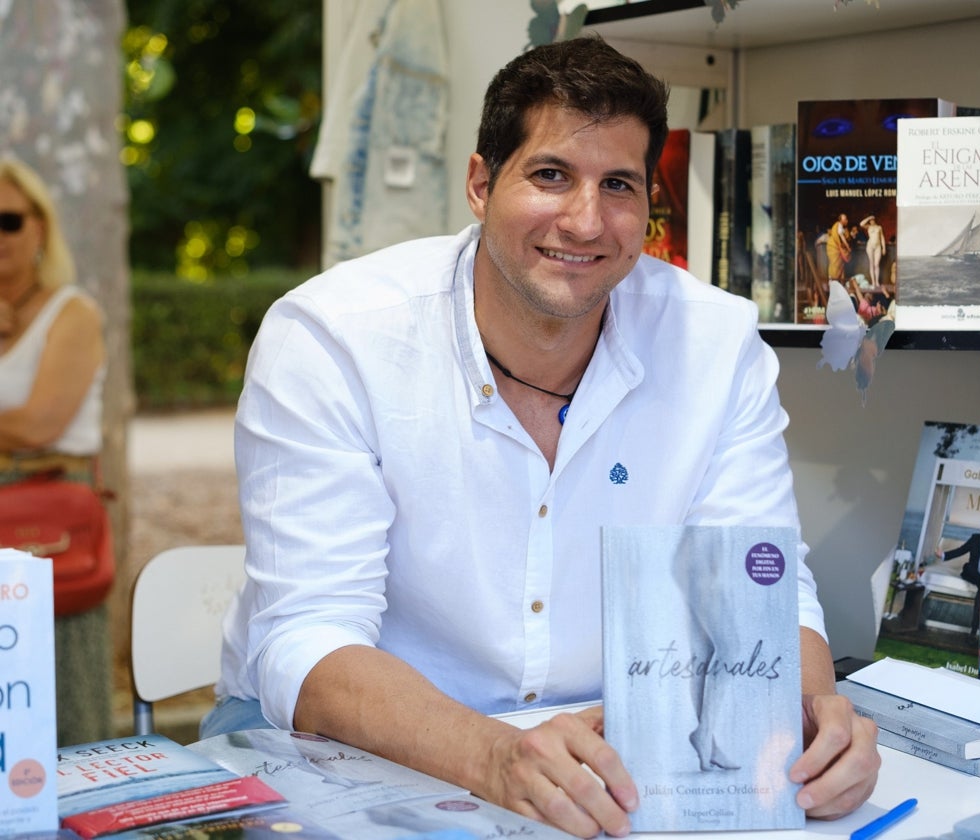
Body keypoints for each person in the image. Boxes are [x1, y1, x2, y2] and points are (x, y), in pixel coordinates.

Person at [204, 36, 878, 838]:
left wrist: (807, 723)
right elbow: (307, 637)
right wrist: (493, 756)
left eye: (619, 185)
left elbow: (763, 585)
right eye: (551, 174)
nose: (586, 221)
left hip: (604, 752)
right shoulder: (332, 337)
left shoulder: (715, 342)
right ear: (482, 184)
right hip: (350, 746)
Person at [0, 156, 111, 745]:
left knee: (64, 704)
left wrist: (19, 426)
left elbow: (42, 422)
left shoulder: (73, 313)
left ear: (40, 227)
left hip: (44, 522)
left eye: (9, 221)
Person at [936, 514, 980, 639]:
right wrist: (943, 555)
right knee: (971, 570)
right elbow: (961, 550)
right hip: (972, 572)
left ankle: (974, 630)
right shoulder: (976, 538)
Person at [824, 212, 851, 288]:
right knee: (834, 263)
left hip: (837, 248)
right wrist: (847, 247)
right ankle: (832, 282)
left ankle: (838, 282)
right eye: (845, 219)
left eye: (846, 219)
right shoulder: (838, 225)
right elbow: (841, 238)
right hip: (833, 247)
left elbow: (844, 238)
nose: (846, 220)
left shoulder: (843, 228)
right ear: (841, 220)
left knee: (840, 265)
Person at [861, 215, 886, 287]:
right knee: (871, 264)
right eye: (870, 220)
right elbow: (861, 224)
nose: (871, 221)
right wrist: (868, 217)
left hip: (878, 246)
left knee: (876, 264)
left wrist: (884, 248)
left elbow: (882, 238)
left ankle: (877, 281)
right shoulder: (868, 227)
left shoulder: (879, 227)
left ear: (875, 220)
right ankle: (873, 282)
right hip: (870, 246)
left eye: (872, 220)